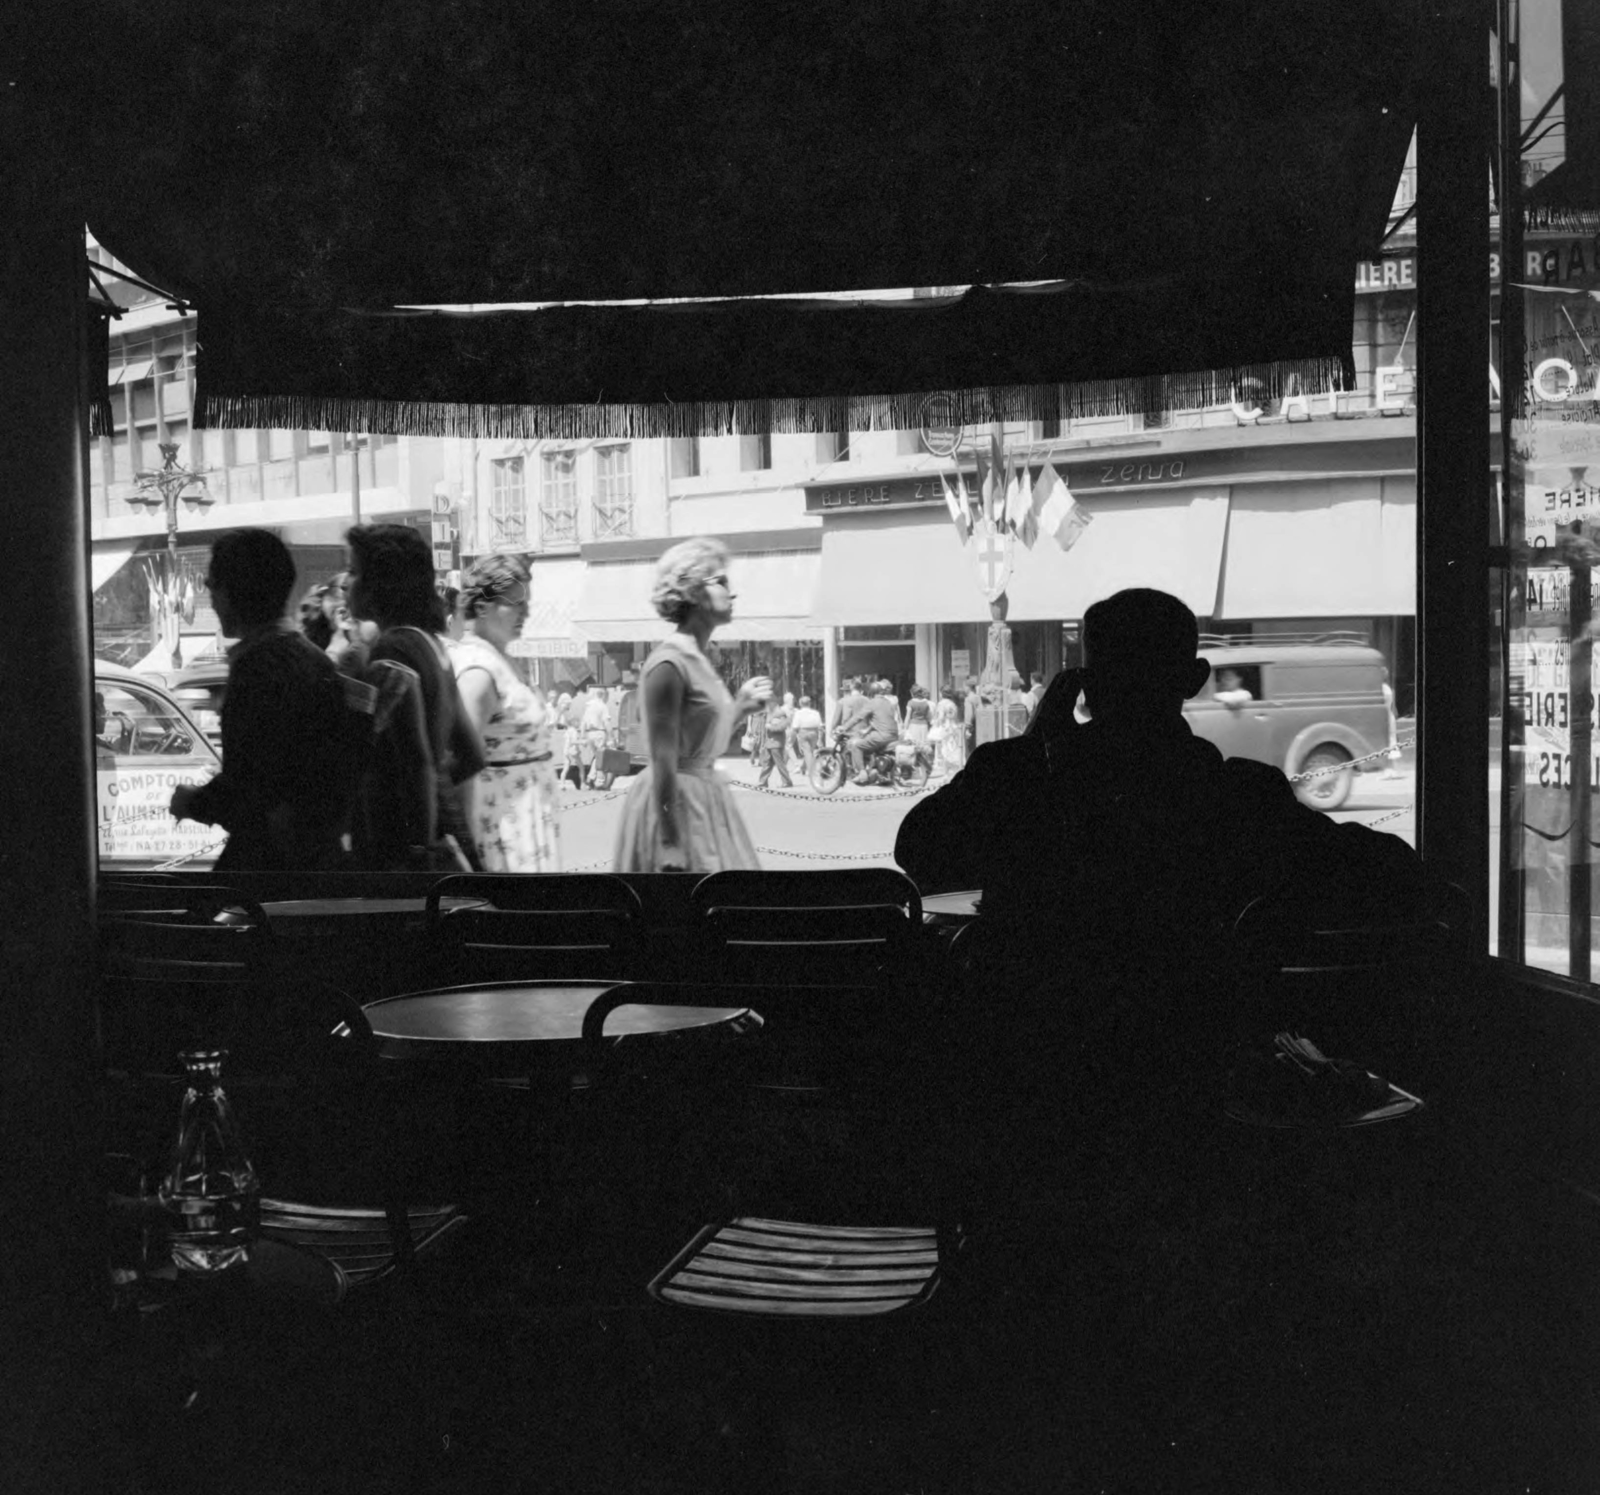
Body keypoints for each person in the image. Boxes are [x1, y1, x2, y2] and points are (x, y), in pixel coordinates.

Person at [895, 587, 1429, 985]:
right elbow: (1391, 870)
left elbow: (918, 849)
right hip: (1194, 1063)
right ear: (1195, 680)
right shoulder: (1243, 797)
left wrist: (1036, 745)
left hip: (1034, 1061)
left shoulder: (1011, 777)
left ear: (1082, 684)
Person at [169, 528, 354, 871]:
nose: (209, 596)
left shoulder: (258, 667)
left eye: (213, 584)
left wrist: (192, 802)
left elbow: (249, 787)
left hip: (274, 869)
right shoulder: (313, 658)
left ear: (234, 591)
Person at [613, 537, 770, 872]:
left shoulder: (697, 657)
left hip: (705, 800)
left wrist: (740, 707)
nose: (733, 592)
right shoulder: (669, 663)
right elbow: (663, 758)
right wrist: (670, 842)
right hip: (679, 807)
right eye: (722, 582)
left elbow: (701, 744)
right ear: (695, 591)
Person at [344, 523, 485, 871]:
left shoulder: (391, 651)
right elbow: (471, 754)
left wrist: (416, 836)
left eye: (354, 571)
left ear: (382, 583)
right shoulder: (432, 646)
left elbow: (415, 760)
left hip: (395, 858)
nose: (347, 582)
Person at [451, 553, 560, 872]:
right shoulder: (478, 670)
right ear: (482, 607)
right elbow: (460, 764)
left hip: (524, 824)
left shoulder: (498, 659)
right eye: (516, 604)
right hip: (502, 830)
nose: (526, 612)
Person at [846, 679, 899, 784]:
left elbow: (858, 717)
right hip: (893, 734)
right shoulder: (888, 702)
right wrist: (867, 730)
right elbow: (880, 721)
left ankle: (862, 774)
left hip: (881, 735)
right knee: (874, 748)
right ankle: (876, 772)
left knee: (857, 746)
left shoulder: (872, 703)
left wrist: (844, 727)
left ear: (871, 692)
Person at [756, 690, 793, 788]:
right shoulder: (770, 712)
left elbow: (783, 726)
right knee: (767, 763)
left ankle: (787, 781)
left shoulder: (779, 712)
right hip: (770, 743)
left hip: (776, 742)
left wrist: (770, 726)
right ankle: (762, 782)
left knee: (779, 764)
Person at [580, 682, 613, 788]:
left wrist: (582, 736)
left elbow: (583, 723)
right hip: (599, 733)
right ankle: (598, 781)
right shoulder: (602, 706)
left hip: (590, 734)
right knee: (601, 758)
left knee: (597, 757)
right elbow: (607, 723)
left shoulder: (589, 706)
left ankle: (591, 777)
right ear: (603, 695)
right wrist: (611, 737)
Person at [791, 694, 823, 780]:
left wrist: (794, 736)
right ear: (810, 703)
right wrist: (820, 738)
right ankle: (803, 767)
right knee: (809, 751)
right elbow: (820, 725)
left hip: (803, 732)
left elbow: (795, 726)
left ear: (800, 704)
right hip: (814, 733)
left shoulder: (798, 713)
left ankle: (811, 771)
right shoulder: (815, 713)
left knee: (807, 752)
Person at [904, 684, 933, 750]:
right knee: (923, 746)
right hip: (924, 726)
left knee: (914, 746)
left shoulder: (910, 702)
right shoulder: (926, 703)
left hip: (913, 725)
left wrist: (905, 728)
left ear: (913, 693)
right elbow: (929, 717)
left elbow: (908, 717)